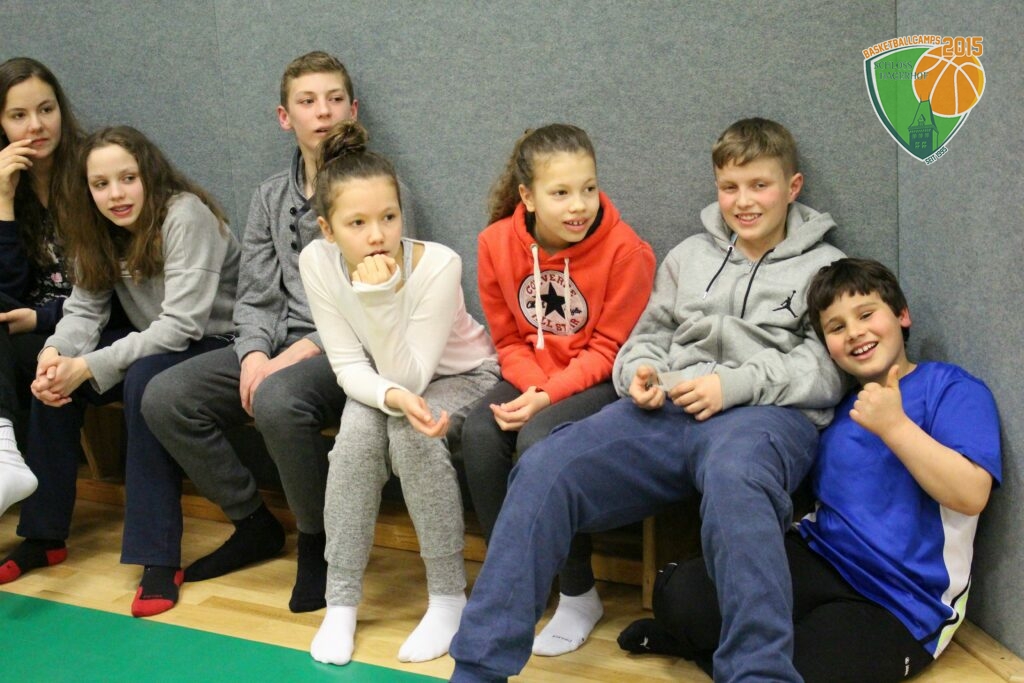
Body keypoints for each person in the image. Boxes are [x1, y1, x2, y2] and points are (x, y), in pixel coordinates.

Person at [450, 117, 846, 682]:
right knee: (544, 466)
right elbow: (645, 339)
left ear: (793, 187)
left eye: (760, 185)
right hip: (669, 410)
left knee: (736, 479)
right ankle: (478, 669)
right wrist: (641, 374)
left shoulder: (825, 267)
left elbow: (827, 368)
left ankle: (759, 674)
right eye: (730, 187)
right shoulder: (688, 256)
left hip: (763, 418)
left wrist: (733, 386)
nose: (744, 201)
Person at [619, 258, 1001, 682]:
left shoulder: (950, 387)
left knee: (790, 669)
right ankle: (712, 643)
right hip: (818, 557)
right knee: (678, 595)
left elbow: (971, 494)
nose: (854, 332)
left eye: (866, 314)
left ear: (902, 315)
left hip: (900, 601)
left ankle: (709, 651)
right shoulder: (833, 405)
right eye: (836, 327)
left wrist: (895, 427)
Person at [142, 51, 414, 613]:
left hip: (353, 348)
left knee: (277, 398)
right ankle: (253, 523)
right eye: (307, 102)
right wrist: (252, 355)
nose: (323, 112)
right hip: (275, 343)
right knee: (166, 396)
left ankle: (319, 541)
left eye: (334, 99)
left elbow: (388, 295)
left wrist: (289, 361)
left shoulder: (380, 188)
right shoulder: (270, 196)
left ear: (353, 109)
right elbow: (257, 294)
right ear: (285, 117)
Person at [0, 126, 240, 620]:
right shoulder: (94, 226)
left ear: (149, 174)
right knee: (55, 378)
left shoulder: (185, 214)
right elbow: (84, 310)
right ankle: (44, 536)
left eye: (128, 178)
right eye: (101, 184)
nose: (116, 194)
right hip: (157, 338)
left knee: (143, 379)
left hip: (218, 341)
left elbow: (183, 325)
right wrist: (56, 354)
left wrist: (88, 365)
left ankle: (158, 557)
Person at [300, 120, 499, 666]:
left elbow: (413, 376)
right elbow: (347, 364)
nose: (377, 235)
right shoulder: (316, 262)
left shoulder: (439, 265)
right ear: (327, 229)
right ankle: (341, 602)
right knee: (356, 440)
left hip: (465, 375)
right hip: (384, 379)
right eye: (357, 223)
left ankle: (448, 598)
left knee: (412, 436)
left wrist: (380, 294)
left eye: (388, 217)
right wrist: (391, 397)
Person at [461, 123, 655, 656]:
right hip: (531, 373)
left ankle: (577, 592)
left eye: (589, 188)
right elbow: (507, 338)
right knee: (478, 434)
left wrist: (547, 397)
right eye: (561, 192)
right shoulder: (495, 244)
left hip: (599, 380)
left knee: (540, 439)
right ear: (527, 197)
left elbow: (609, 350)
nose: (579, 206)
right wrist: (536, 387)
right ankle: (515, 581)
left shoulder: (628, 252)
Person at [0, 57, 83, 516]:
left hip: (93, 325)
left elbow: (116, 291)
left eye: (46, 110)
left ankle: (5, 456)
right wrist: (4, 199)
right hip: (30, 329)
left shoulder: (94, 170)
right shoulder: (9, 182)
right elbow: (8, 290)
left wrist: (42, 318)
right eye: (18, 115)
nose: (35, 125)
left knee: (44, 369)